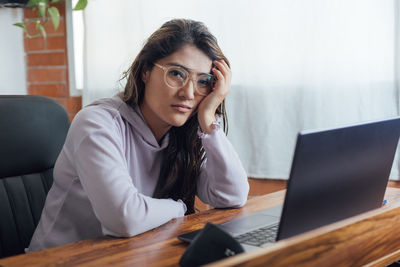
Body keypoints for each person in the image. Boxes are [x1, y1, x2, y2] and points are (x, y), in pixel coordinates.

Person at [28, 18, 249, 252]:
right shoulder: (97, 123)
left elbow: (232, 195)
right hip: (61, 259)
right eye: (176, 74)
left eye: (203, 81)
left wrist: (207, 119)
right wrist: (179, 207)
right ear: (146, 71)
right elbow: (124, 219)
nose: (189, 93)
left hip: (132, 255)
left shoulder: (186, 132)